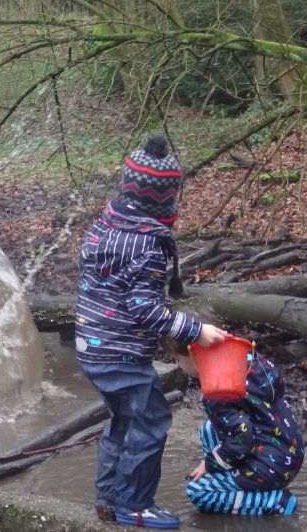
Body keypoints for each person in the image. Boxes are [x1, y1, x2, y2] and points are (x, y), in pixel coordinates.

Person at [74, 136, 229, 529]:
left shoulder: (106, 226)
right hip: (118, 352)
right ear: (166, 201)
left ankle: (108, 498)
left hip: (90, 346)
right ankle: (133, 504)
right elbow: (144, 309)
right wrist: (196, 332)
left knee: (123, 420)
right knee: (152, 420)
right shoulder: (148, 245)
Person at [161, 314, 305, 516]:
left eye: (177, 359)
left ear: (195, 354)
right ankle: (235, 478)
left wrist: (210, 464)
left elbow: (242, 440)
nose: (177, 365)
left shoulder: (218, 392)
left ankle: (275, 502)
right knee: (209, 429)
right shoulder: (250, 362)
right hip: (288, 450)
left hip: (270, 465)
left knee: (198, 491)